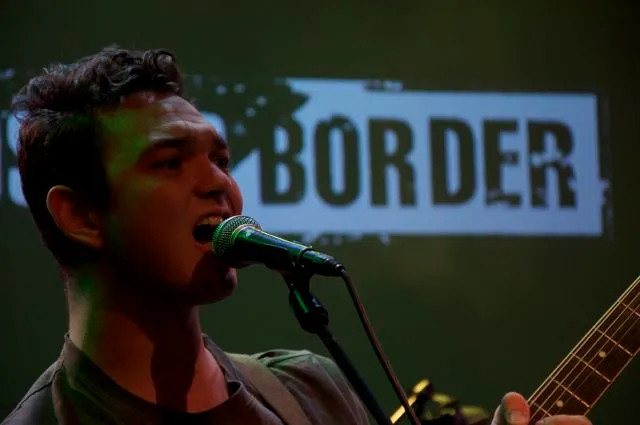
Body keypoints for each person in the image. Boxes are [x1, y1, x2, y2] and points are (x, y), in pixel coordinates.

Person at [1, 46, 592, 425]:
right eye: (169, 163)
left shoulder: (310, 388)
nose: (220, 184)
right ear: (80, 216)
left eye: (221, 160)